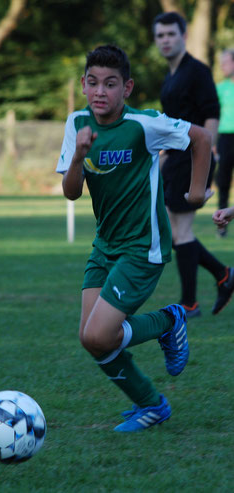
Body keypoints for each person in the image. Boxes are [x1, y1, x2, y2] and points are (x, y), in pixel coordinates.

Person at [56, 44, 212, 432]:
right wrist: (78, 157)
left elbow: (201, 139)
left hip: (144, 248)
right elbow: (72, 192)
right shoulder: (76, 125)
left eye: (110, 84)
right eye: (92, 83)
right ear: (83, 85)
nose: (100, 92)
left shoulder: (144, 124)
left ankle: (167, 320)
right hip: (104, 246)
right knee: (91, 339)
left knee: (100, 333)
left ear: (126, 88)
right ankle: (152, 405)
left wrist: (195, 193)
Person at [153, 11, 234, 317]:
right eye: (160, 35)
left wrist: (208, 156)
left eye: (171, 34)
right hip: (175, 159)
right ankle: (224, 275)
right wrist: (163, 158)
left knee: (182, 232)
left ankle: (190, 304)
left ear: (184, 36)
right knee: (175, 233)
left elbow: (211, 114)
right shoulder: (169, 77)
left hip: (193, 158)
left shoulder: (197, 71)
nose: (165, 40)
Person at [214, 48, 234, 237]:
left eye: (225, 62)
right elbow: (212, 115)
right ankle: (222, 223)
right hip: (226, 139)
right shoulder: (220, 88)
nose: (222, 66)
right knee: (223, 181)